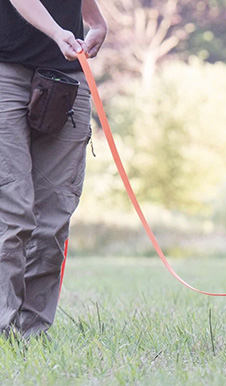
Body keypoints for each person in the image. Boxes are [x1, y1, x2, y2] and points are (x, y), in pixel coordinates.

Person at [0, 0, 107, 339]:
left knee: (53, 222)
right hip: (6, 70)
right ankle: (3, 330)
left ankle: (31, 333)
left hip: (67, 77)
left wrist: (96, 22)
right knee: (13, 213)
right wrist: (57, 32)